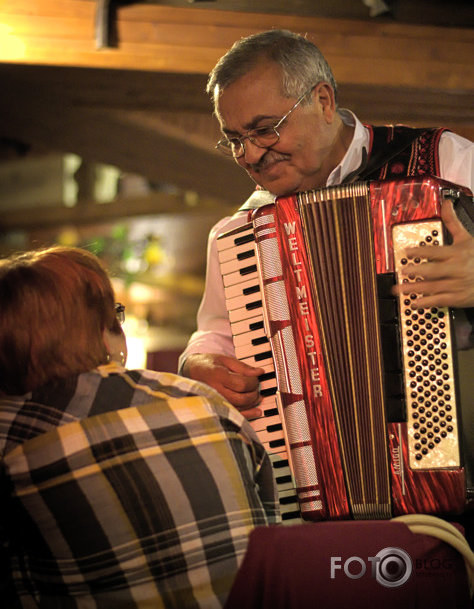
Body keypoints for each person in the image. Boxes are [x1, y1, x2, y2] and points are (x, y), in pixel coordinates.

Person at [179, 29, 474, 420]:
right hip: (322, 457)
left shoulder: (445, 160)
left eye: (265, 129)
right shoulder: (239, 234)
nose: (249, 154)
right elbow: (218, 334)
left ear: (323, 101)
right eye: (234, 139)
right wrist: (197, 362)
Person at [0, 246, 279, 608]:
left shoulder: (11, 442)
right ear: (103, 332)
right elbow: (272, 533)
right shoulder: (200, 400)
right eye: (114, 314)